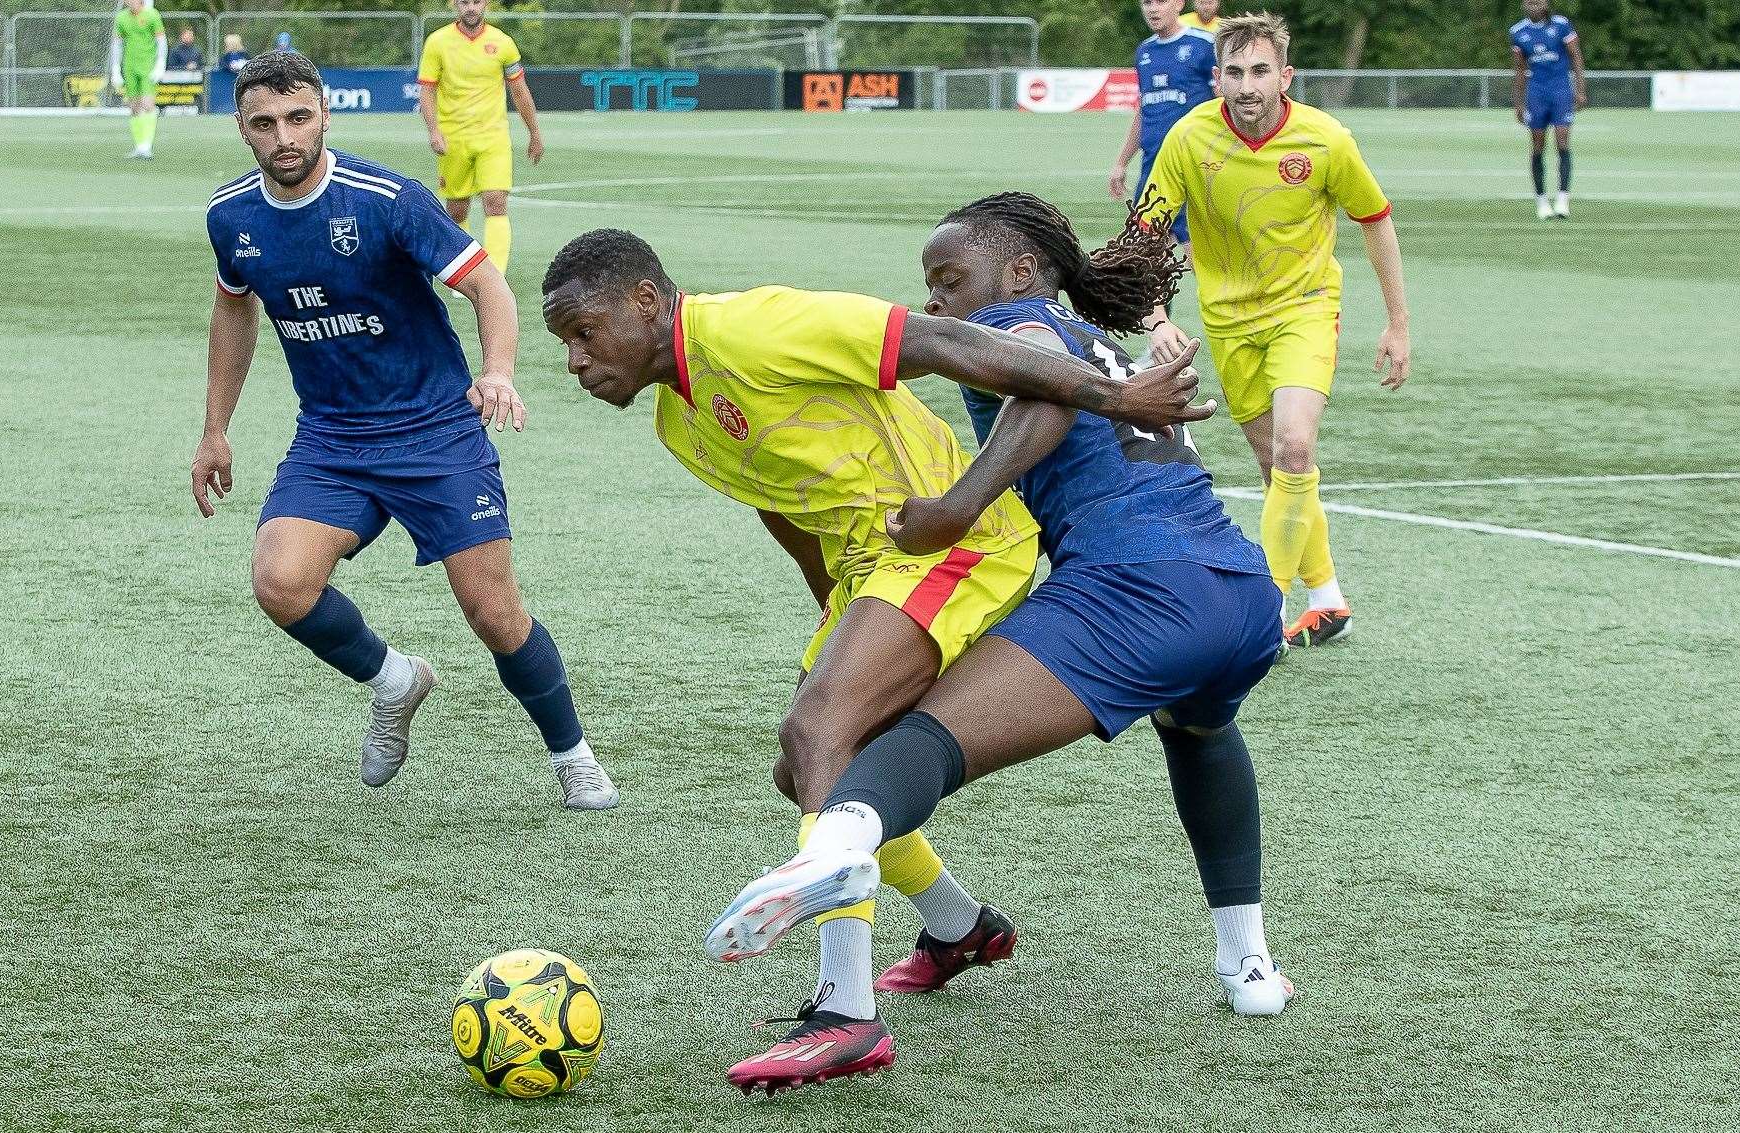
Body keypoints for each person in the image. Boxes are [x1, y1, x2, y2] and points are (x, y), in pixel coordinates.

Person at [540, 228, 1218, 1092]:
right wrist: (833, 609)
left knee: (822, 728)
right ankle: (959, 926)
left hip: (956, 543)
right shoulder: (681, 418)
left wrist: (1109, 396)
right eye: (565, 342)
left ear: (645, 301)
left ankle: (844, 1014)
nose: (573, 359)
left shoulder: (755, 326)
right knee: (803, 768)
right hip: (875, 570)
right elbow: (783, 506)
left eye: (584, 331)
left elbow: (943, 341)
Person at [707, 192, 1292, 1085]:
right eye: (927, 287)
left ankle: (832, 855)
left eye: (949, 280)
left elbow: (1037, 380)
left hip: (1133, 589)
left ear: (1020, 273)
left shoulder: (1024, 324)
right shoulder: (1092, 339)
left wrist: (955, 506)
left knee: (909, 745)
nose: (936, 304)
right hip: (1239, 593)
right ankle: (1247, 966)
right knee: (1201, 734)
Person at [192, 52, 617, 810]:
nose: (284, 136)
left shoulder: (387, 198)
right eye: (265, 123)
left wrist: (497, 369)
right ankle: (396, 680)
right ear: (242, 129)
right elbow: (234, 306)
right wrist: (214, 427)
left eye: (298, 118)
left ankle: (572, 755)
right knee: (280, 583)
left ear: (325, 115)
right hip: (332, 439)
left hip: (435, 432)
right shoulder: (232, 217)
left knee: (493, 613)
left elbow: (486, 281)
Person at [1135, 11, 1412, 649]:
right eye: (1234, 72)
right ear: (1215, 80)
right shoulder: (1187, 140)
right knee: (1273, 465)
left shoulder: (1326, 140)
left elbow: (1375, 218)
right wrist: (1156, 321)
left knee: (1293, 445)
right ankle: (1328, 598)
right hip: (1229, 322)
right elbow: (1144, 239)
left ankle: (1260, 615)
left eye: (1261, 71)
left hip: (1305, 308)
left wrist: (1397, 323)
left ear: (1286, 76)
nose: (1248, 85)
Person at [419, 0, 545, 276]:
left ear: (484, 4)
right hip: (454, 139)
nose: (471, 8)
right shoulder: (437, 42)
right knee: (456, 211)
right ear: (455, 5)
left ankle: (493, 276)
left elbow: (520, 91)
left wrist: (534, 133)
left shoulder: (503, 43)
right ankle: (462, 273)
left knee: (496, 202)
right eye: (464, 2)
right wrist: (433, 131)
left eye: (476, 1)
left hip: (494, 137)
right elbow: (427, 91)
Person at [1109, 0, 1215, 267]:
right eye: (1147, 2)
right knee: (1143, 264)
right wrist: (1122, 162)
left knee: (1202, 262)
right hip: (1152, 168)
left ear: (1179, 4)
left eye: (1161, 1)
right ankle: (1156, 309)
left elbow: (1224, 102)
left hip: (1192, 166)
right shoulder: (1145, 52)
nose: (1152, 9)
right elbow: (1143, 110)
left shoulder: (1205, 45)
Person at [1510, 0, 1585, 220]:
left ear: (1545, 4)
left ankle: (1563, 198)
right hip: (1537, 93)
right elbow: (1520, 70)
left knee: (1562, 143)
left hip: (1561, 90)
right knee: (1537, 146)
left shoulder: (1561, 25)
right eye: (1529, 2)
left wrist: (1580, 90)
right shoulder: (1518, 31)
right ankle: (1541, 200)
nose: (1534, 6)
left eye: (1538, 2)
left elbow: (1576, 57)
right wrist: (1518, 102)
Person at [109, 0, 165, 159]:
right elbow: (117, 44)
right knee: (133, 106)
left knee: (148, 104)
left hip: (147, 65)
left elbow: (161, 41)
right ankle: (139, 145)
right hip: (129, 66)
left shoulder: (152, 14)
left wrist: (160, 64)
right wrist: (115, 68)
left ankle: (147, 145)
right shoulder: (121, 18)